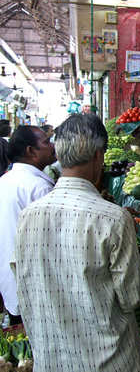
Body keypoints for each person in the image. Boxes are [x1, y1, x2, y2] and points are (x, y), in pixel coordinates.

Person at [13, 114, 140, 372]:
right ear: (99, 156)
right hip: (109, 362)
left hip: (51, 360)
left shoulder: (27, 216)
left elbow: (25, 287)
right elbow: (132, 297)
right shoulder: (113, 218)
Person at [0, 126, 56, 324]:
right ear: (30, 151)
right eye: (46, 142)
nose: (52, 146)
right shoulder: (38, 187)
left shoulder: (4, 181)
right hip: (35, 287)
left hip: (9, 283)